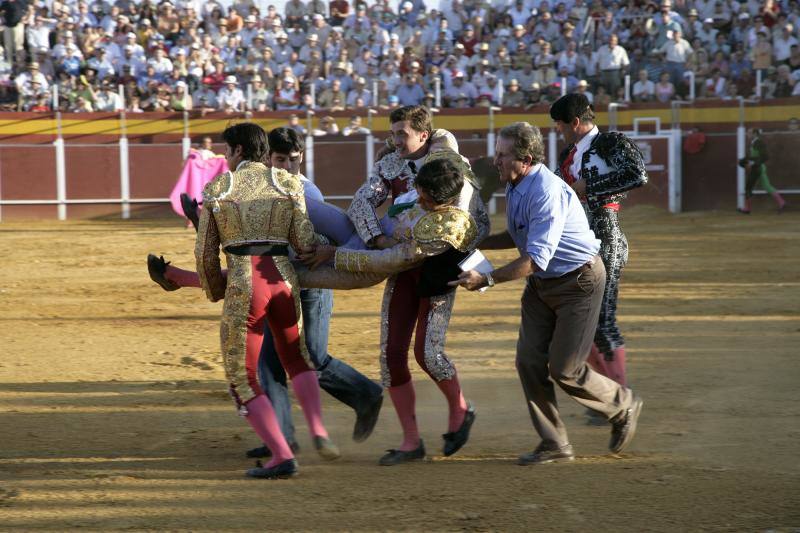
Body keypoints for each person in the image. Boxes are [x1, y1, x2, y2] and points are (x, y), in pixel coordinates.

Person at [150, 128, 384, 455]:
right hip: (279, 282)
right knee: (270, 363)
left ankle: (365, 394)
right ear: (266, 159)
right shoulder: (269, 189)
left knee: (310, 358)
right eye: (280, 159)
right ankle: (281, 437)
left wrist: (330, 255)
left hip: (311, 287)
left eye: (293, 160)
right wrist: (205, 219)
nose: (288, 166)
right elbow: (251, 251)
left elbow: (349, 234)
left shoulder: (305, 192)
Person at [452, 122, 643, 465]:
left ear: (524, 159)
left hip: (578, 283)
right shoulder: (516, 182)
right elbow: (521, 234)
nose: (495, 161)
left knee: (565, 368)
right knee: (528, 362)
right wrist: (480, 242)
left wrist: (487, 280)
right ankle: (554, 442)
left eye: (502, 155)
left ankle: (622, 404)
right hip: (543, 285)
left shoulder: (545, 191)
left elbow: (536, 259)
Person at [300, 157, 480, 465]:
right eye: (418, 193)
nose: (418, 200)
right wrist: (372, 238)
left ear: (443, 201)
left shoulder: (444, 226)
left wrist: (337, 254)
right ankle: (411, 441)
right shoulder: (422, 193)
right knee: (392, 355)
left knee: (428, 355)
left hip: (434, 282)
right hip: (405, 277)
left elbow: (391, 259)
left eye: (425, 198)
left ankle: (460, 409)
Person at [194, 122, 339, 479]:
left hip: (247, 280)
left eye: (228, 151)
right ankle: (318, 430)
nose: (226, 158)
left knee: (241, 377)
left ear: (239, 151)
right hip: (284, 281)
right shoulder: (288, 184)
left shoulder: (219, 188)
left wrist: (215, 290)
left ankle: (281, 455)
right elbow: (305, 242)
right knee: (297, 356)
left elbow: (204, 255)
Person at [551, 93, 648, 391]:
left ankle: (619, 395)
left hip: (606, 236)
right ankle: (606, 390)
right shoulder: (569, 154)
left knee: (602, 320)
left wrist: (588, 186)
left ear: (575, 122)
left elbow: (637, 174)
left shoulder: (610, 143)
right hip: (574, 242)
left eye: (560, 124)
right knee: (574, 321)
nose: (558, 130)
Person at [738, 128, 786, 213]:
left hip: (758, 167)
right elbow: (756, 157)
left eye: (749, 133)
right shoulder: (754, 143)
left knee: (748, 187)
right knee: (766, 186)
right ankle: (781, 202)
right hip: (759, 167)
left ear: (755, 134)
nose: (747, 134)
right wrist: (746, 160)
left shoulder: (759, 142)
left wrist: (750, 163)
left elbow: (765, 156)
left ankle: (747, 208)